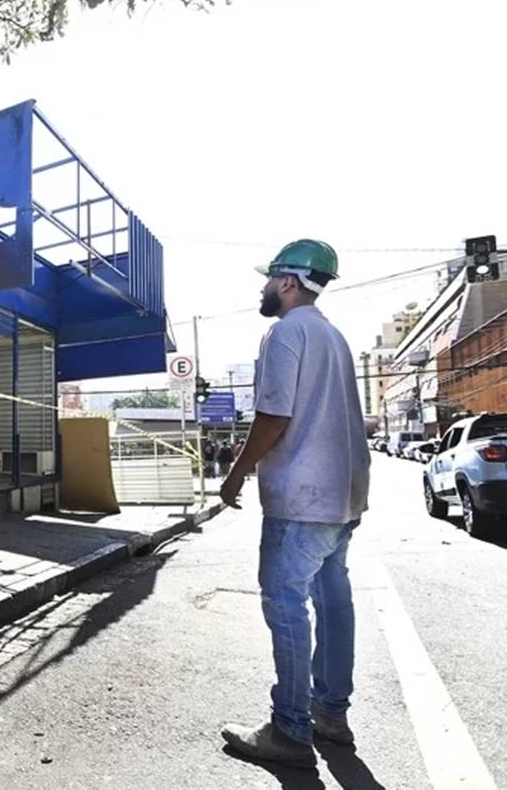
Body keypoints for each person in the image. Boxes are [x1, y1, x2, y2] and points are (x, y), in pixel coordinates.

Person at [219, 239, 370, 768]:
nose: (262, 288)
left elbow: (274, 417)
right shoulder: (333, 336)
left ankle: (289, 729)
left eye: (268, 279)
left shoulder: (286, 332)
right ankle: (331, 713)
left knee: (285, 604)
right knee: (333, 604)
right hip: (342, 498)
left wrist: (237, 472)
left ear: (287, 282)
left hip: (301, 498)